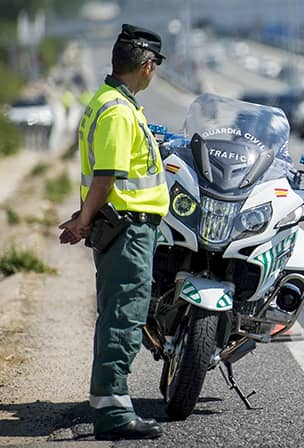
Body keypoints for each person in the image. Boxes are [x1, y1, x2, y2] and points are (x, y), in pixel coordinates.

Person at [58, 24, 170, 441]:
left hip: (120, 226)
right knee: (123, 318)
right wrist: (84, 220)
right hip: (128, 230)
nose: (154, 72)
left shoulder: (109, 102)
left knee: (117, 316)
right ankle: (112, 414)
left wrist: (81, 216)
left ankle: (111, 404)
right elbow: (105, 177)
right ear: (146, 65)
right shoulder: (119, 111)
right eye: (155, 65)